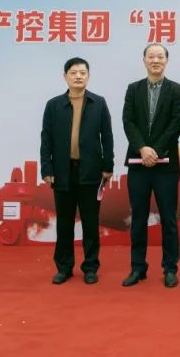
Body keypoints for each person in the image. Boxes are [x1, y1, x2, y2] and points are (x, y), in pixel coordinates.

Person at [40, 57, 114, 285]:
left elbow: (107, 136)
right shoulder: (53, 105)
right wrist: (46, 168)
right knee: (64, 223)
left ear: (88, 76)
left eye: (83, 72)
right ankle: (64, 267)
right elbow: (46, 138)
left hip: (91, 171)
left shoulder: (98, 103)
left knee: (90, 223)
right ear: (65, 77)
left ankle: (90, 267)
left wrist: (108, 166)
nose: (78, 76)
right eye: (73, 73)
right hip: (62, 171)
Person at [121, 44, 180, 288]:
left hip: (166, 166)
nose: (155, 60)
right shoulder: (133, 89)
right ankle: (138, 268)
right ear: (144, 60)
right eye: (151, 56)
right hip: (138, 164)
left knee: (168, 219)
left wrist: (155, 150)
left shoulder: (177, 90)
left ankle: (170, 268)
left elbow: (175, 124)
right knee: (138, 218)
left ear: (166, 61)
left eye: (160, 56)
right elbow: (128, 121)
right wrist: (142, 148)